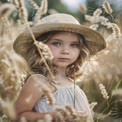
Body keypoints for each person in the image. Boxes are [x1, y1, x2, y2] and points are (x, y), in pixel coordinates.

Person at [13, 13, 106, 122]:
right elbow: (17, 116)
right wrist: (54, 116)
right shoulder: (38, 81)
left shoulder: (71, 82)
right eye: (57, 43)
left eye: (74, 45)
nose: (65, 51)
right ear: (39, 47)